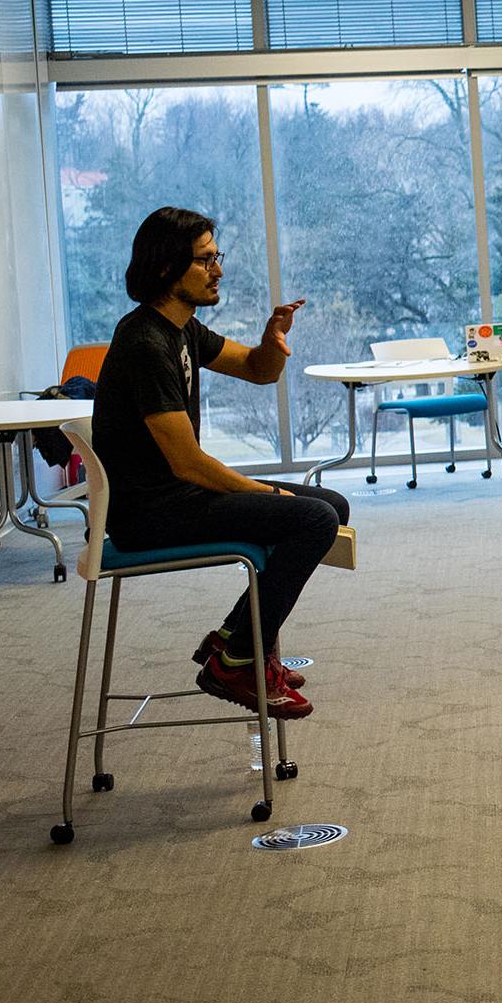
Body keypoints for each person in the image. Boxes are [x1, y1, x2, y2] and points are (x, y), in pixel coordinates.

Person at [89, 208, 344, 722]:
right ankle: (239, 661)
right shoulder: (145, 343)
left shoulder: (183, 329)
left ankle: (233, 642)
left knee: (330, 503)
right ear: (166, 269)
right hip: (149, 514)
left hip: (177, 498)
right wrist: (267, 494)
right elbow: (187, 463)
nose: (218, 270)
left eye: (216, 257)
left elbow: (257, 370)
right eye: (205, 260)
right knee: (313, 519)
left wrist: (273, 341)